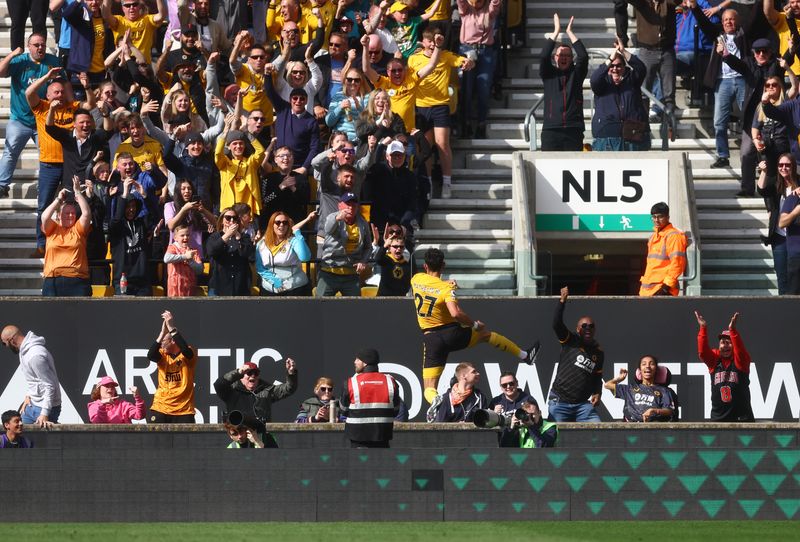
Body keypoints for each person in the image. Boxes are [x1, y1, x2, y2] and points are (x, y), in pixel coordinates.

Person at [411, 248, 539, 404]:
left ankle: (439, 403)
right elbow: (455, 313)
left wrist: (444, 284)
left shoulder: (416, 279)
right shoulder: (445, 289)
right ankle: (525, 356)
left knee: (429, 388)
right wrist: (474, 324)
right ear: (443, 265)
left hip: (431, 338)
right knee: (486, 335)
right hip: (452, 334)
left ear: (425, 266)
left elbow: (430, 286)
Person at [408, 28, 474, 198]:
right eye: (429, 39)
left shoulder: (445, 55)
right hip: (421, 106)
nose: (432, 43)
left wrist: (469, 63)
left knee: (442, 144)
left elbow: (464, 61)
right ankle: (428, 183)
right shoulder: (413, 59)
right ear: (423, 41)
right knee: (425, 146)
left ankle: (447, 182)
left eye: (435, 40)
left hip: (440, 106)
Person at [719, 37, 784, 197]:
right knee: (747, 152)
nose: (761, 54)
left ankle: (777, 188)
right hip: (753, 116)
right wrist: (726, 55)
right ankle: (747, 188)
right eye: (758, 52)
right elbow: (738, 65)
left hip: (774, 117)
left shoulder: (776, 65)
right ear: (753, 53)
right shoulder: (749, 63)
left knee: (777, 153)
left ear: (770, 53)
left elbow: (788, 58)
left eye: (765, 51)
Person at [0, 33, 59, 200]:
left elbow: (60, 85)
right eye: (36, 45)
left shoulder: (53, 61)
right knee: (10, 152)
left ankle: (46, 187)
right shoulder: (21, 61)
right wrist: (12, 54)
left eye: (42, 44)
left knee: (48, 153)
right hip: (20, 118)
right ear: (29, 46)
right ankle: (2, 185)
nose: (40, 48)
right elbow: (0, 72)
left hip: (42, 118)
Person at [690, 1, 749, 169]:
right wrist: (694, 7)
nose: (728, 22)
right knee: (719, 122)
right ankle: (723, 156)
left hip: (743, 79)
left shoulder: (744, 34)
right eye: (725, 20)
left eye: (731, 19)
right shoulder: (717, 35)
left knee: (749, 118)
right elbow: (703, 22)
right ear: (721, 23)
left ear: (737, 21)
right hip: (723, 81)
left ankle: (754, 154)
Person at [547, 286, 604, 422]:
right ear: (578, 329)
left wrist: (597, 392)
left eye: (591, 326)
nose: (588, 328)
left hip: (582, 405)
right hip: (560, 401)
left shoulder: (599, 352)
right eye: (584, 326)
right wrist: (562, 301)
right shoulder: (570, 340)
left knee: (599, 432)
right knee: (556, 438)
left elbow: (597, 376)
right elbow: (556, 324)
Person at [590, 38, 650, 151]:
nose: (615, 69)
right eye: (611, 66)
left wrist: (623, 51)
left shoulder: (632, 80)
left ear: (624, 67)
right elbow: (594, 79)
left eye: (618, 66)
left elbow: (641, 68)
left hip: (634, 137)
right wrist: (610, 58)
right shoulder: (602, 83)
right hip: (606, 139)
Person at [539, 14, 588, 151]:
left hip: (573, 130)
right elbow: (543, 56)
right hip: (551, 130)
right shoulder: (548, 74)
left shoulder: (576, 75)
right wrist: (556, 32)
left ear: (572, 59)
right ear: (555, 58)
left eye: (567, 55)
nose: (563, 58)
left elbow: (583, 56)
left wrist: (569, 33)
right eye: (560, 55)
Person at [694, 311, 754, 422]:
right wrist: (703, 327)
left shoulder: (741, 361)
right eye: (722, 342)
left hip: (741, 419)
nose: (725, 345)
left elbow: (740, 352)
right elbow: (703, 352)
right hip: (718, 418)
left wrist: (733, 330)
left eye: (729, 342)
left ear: (734, 345)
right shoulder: (714, 361)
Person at [456, 0, 503, 138]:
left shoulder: (489, 10)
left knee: (484, 87)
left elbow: (496, 3)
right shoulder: (466, 10)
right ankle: (467, 123)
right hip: (467, 50)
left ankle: (481, 124)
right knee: (467, 89)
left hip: (485, 52)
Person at [41, 176, 93, 296]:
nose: (70, 215)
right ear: (59, 215)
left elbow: (86, 213)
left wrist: (78, 193)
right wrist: (58, 200)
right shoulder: (52, 229)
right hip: (53, 279)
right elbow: (44, 217)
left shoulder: (78, 229)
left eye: (73, 213)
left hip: (77, 279)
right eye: (66, 213)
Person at [0, 326, 61, 427]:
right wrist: (29, 395)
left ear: (11, 340)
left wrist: (44, 414)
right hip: (31, 404)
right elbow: (34, 379)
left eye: (5, 343)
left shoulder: (35, 355)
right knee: (21, 438)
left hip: (44, 408)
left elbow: (49, 385)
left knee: (40, 442)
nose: (6, 346)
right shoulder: (24, 351)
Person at [339, 348, 400, 448]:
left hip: (357, 438)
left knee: (360, 463)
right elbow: (396, 410)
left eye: (358, 359)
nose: (354, 362)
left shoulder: (350, 382)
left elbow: (343, 410)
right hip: (382, 436)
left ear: (365, 363)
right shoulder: (391, 381)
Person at [316, 191, 373, 297]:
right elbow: (328, 229)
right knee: (319, 305)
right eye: (347, 204)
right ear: (340, 205)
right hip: (329, 271)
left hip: (351, 274)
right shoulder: (332, 217)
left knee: (355, 308)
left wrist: (363, 261)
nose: (350, 208)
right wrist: (337, 218)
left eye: (354, 205)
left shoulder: (363, 223)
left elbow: (368, 247)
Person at [758, 153, 799, 294]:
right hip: (779, 237)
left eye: (787, 165)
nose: (784, 168)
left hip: (796, 237)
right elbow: (762, 190)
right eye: (781, 165)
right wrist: (763, 172)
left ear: (793, 166)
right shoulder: (776, 183)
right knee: (782, 276)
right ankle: (784, 308)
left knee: (795, 278)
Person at [147, 310, 198, 423]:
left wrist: (171, 327)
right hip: (161, 407)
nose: (162, 344)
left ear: (173, 341)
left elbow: (185, 350)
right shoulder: (163, 355)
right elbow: (150, 355)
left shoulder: (188, 355)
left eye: (164, 341)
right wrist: (162, 333)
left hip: (183, 410)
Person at [214, 359, 298, 424]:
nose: (253, 375)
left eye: (256, 373)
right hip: (238, 433)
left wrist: (291, 373)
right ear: (241, 376)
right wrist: (238, 372)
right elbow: (218, 385)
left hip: (260, 434)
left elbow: (289, 388)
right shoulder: (232, 390)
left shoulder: (267, 390)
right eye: (249, 373)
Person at [255, 210, 316, 296]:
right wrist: (274, 281)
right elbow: (260, 267)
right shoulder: (261, 243)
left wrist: (297, 233)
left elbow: (305, 257)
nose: (281, 225)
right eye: (277, 222)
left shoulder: (294, 240)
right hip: (269, 289)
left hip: (295, 288)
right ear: (271, 225)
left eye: (285, 223)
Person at [604, 355, 675, 422]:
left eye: (651, 364)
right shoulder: (630, 388)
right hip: (630, 427)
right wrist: (619, 378)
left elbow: (669, 411)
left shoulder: (664, 391)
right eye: (644, 364)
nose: (647, 366)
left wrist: (654, 411)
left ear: (656, 369)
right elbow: (607, 385)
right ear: (640, 370)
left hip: (653, 427)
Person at [639, 202, 688, 296]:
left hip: (663, 290)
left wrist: (665, 288)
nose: (656, 220)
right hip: (647, 292)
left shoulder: (673, 236)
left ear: (668, 217)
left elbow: (677, 264)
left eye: (660, 217)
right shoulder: (653, 237)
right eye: (653, 217)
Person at [206, 207, 256, 296]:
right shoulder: (214, 237)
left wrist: (238, 237)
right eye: (228, 218)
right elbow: (212, 251)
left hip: (240, 286)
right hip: (219, 285)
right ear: (222, 220)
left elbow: (249, 255)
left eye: (234, 218)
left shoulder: (244, 237)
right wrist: (227, 234)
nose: (231, 220)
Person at [102, 0, 168, 64]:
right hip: (123, 65)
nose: (131, 8)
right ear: (123, 8)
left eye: (135, 4)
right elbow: (106, 15)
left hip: (142, 66)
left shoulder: (147, 20)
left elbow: (162, 15)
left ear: (139, 6)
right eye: (127, 5)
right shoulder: (119, 21)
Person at [370, 223, 413, 297]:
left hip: (400, 298)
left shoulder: (406, 261)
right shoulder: (386, 259)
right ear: (389, 247)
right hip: (384, 298)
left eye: (401, 247)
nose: (398, 249)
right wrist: (384, 245)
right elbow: (378, 259)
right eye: (395, 247)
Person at [164, 224, 204, 297]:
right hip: (174, 290)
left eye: (187, 235)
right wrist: (185, 256)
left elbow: (200, 270)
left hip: (189, 290)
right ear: (175, 238)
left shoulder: (193, 251)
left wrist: (191, 261)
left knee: (189, 308)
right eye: (182, 235)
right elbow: (166, 259)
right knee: (174, 308)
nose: (185, 237)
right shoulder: (172, 247)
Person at [778, 172, 800, 293]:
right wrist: (796, 211)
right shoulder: (793, 198)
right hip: (797, 257)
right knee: (794, 298)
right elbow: (782, 223)